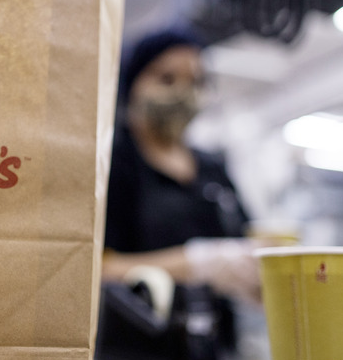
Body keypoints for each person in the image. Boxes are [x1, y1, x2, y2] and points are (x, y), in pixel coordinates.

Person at [102, 29, 261, 306]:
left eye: (196, 82)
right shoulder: (112, 163)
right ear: (133, 82)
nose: (182, 93)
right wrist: (196, 265)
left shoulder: (213, 168)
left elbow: (244, 239)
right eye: (166, 78)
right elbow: (94, 267)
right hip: (136, 338)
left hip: (215, 341)